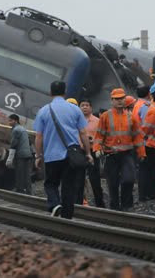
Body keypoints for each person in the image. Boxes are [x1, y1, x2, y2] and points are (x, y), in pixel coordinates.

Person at [34, 81, 92, 219]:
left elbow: (39, 136)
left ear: (50, 93)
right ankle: (67, 217)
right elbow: (83, 133)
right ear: (65, 92)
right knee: (69, 186)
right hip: (70, 155)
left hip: (51, 156)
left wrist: (38, 155)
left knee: (50, 183)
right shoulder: (74, 109)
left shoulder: (43, 111)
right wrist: (88, 153)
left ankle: (55, 204)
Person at [93, 88, 145, 211]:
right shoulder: (106, 116)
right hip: (111, 154)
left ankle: (127, 205)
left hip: (127, 154)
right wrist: (97, 148)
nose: (120, 101)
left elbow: (137, 136)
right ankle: (115, 207)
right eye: (117, 99)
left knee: (129, 179)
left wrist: (141, 152)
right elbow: (99, 135)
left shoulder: (131, 117)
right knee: (113, 183)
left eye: (121, 98)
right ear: (112, 101)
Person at [78, 99, 104, 207]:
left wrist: (94, 141)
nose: (84, 107)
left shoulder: (97, 121)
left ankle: (99, 202)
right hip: (80, 151)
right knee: (79, 178)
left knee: (95, 178)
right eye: (82, 105)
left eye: (87, 105)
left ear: (91, 108)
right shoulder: (76, 120)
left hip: (93, 151)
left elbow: (101, 136)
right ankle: (79, 201)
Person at [140, 88, 155, 201]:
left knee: (153, 170)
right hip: (152, 144)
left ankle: (151, 193)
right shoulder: (154, 110)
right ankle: (149, 194)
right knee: (151, 170)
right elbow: (147, 128)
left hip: (154, 144)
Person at [6, 114, 33, 195]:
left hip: (21, 154)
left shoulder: (16, 130)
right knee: (27, 174)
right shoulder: (23, 129)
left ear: (16, 121)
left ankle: (19, 190)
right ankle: (28, 191)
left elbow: (14, 144)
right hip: (28, 154)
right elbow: (29, 142)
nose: (9, 122)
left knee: (19, 172)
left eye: (10, 121)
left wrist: (10, 158)